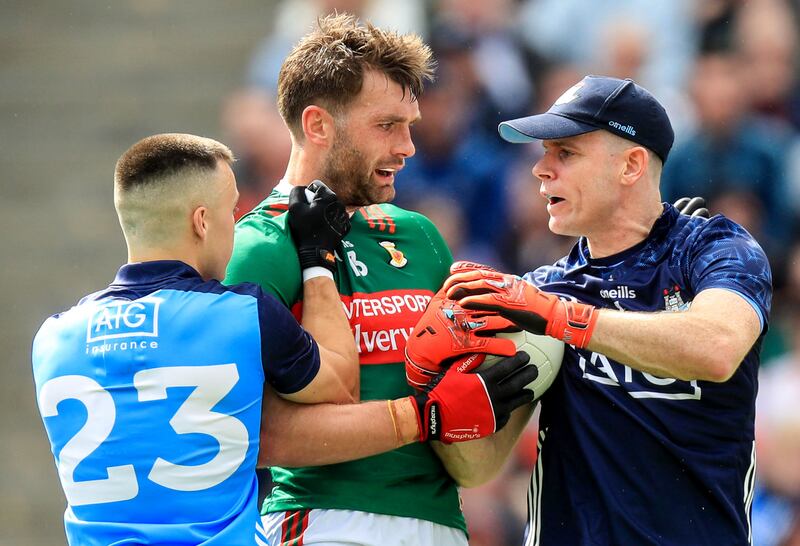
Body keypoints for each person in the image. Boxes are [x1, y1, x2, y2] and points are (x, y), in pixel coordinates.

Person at [32, 133, 534, 545]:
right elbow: (338, 383)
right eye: (232, 212)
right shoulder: (239, 312)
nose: (238, 225)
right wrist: (317, 259)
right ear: (202, 222)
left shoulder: (53, 338)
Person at [412, 76, 773, 545]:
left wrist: (564, 318)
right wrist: (442, 405)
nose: (541, 169)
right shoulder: (542, 292)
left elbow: (718, 347)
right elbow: (478, 469)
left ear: (631, 165)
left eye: (565, 152)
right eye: (544, 152)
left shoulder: (713, 248)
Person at [224, 12, 533, 546]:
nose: (408, 147)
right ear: (319, 124)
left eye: (409, 125)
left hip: (443, 525)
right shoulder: (258, 247)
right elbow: (254, 435)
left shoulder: (420, 237)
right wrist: (423, 416)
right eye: (387, 125)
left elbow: (466, 447)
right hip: (325, 522)